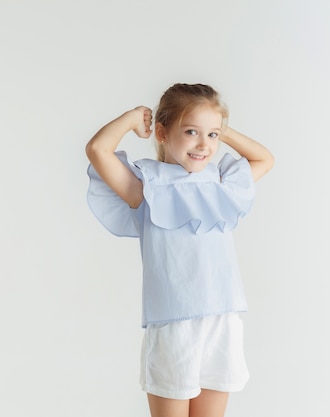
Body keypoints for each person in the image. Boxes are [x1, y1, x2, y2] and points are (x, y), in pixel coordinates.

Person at [85, 83, 274, 417]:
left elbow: (264, 158)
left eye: (212, 135)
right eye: (190, 132)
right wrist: (131, 119)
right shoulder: (146, 186)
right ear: (161, 132)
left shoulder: (222, 183)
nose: (203, 144)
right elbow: (98, 149)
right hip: (173, 324)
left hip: (222, 319)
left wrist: (220, 130)